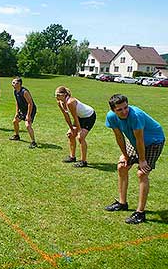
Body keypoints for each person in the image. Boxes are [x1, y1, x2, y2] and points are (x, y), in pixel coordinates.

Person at [105, 94, 165, 224]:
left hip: (154, 141)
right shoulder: (111, 117)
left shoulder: (135, 116)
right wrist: (125, 155)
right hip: (135, 141)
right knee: (122, 166)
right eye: (119, 109)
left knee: (142, 173)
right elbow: (119, 137)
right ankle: (122, 203)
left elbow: (140, 140)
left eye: (126, 107)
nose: (124, 111)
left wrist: (142, 160)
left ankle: (140, 213)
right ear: (113, 110)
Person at [55, 86, 96, 167]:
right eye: (56, 95)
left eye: (58, 95)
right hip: (79, 117)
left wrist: (79, 130)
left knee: (80, 137)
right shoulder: (60, 103)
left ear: (65, 94)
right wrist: (71, 129)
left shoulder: (71, 102)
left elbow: (75, 117)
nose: (57, 97)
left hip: (89, 116)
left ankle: (83, 161)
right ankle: (72, 157)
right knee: (70, 135)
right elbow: (66, 116)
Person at [9, 77, 37, 149]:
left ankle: (33, 142)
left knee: (28, 125)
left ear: (20, 84)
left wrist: (28, 115)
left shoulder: (24, 92)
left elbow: (30, 103)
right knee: (15, 121)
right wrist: (16, 112)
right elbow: (17, 102)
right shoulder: (15, 91)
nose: (14, 84)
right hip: (22, 110)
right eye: (13, 83)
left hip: (30, 109)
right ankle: (17, 136)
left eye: (16, 83)